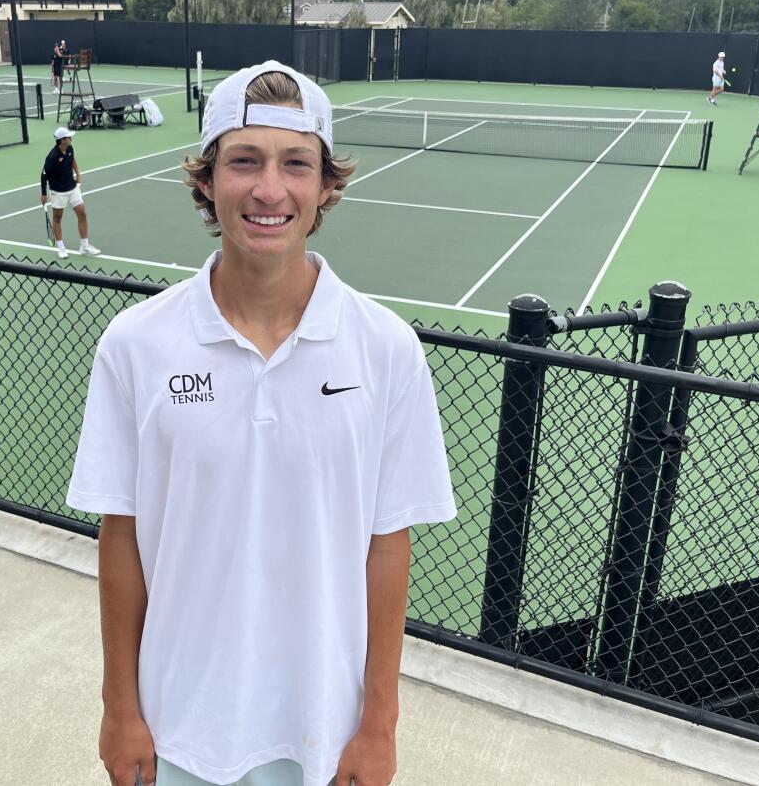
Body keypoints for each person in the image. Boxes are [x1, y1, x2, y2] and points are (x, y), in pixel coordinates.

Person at [67, 60, 456, 786]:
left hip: (324, 734)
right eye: (244, 160)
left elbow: (387, 548)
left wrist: (379, 725)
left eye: (295, 164)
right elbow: (121, 538)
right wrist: (120, 708)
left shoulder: (386, 350)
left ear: (326, 188)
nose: (269, 189)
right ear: (208, 181)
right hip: (177, 729)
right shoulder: (135, 344)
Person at [40, 125, 99, 258]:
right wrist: (44, 194)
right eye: (68, 137)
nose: (71, 138)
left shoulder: (70, 148)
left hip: (72, 189)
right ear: (62, 140)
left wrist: (78, 173)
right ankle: (61, 248)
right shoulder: (52, 157)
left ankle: (85, 246)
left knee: (82, 214)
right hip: (58, 192)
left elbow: (72, 160)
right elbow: (43, 175)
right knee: (57, 218)